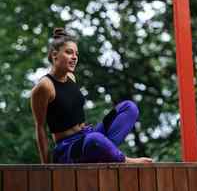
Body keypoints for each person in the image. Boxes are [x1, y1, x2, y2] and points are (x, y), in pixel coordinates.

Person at [31, 28, 153, 164]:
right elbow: (40, 127)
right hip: (68, 149)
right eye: (69, 52)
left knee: (129, 107)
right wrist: (46, 167)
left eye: (76, 54)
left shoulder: (71, 77)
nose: (74, 57)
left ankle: (105, 153)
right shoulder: (44, 87)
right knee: (95, 139)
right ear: (55, 55)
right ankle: (123, 160)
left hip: (87, 136)